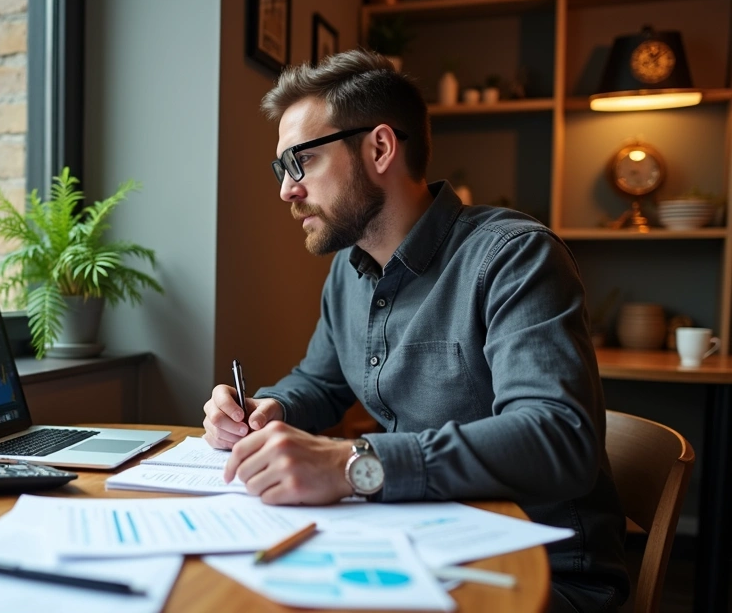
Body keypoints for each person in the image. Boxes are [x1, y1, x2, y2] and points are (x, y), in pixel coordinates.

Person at [201, 50, 627, 613]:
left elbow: (558, 435)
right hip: (417, 543)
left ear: (379, 148)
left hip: (542, 574)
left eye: (301, 161)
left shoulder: (513, 257)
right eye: (281, 169)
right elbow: (321, 382)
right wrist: (269, 408)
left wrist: (350, 464)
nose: (287, 190)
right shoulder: (347, 273)